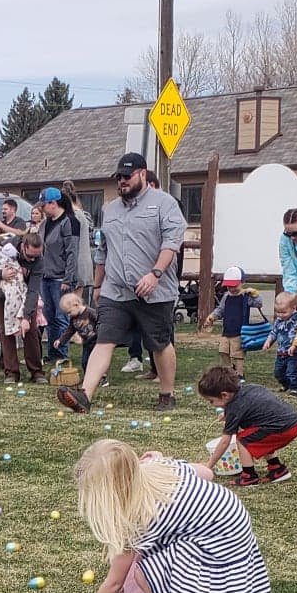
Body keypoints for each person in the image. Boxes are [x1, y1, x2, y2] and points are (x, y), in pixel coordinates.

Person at [56, 439, 276, 593]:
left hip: (220, 543)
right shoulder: (159, 468)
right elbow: (206, 474)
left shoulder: (137, 515)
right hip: (231, 523)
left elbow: (114, 582)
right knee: (150, 564)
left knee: (147, 572)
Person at [58, 152, 188, 414]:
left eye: (126, 176)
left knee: (159, 342)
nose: (121, 182)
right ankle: (85, 395)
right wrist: (97, 286)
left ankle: (167, 394)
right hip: (115, 290)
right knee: (104, 338)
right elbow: (103, 250)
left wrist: (155, 274)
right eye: (118, 177)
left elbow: (171, 244)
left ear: (142, 173)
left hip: (155, 290)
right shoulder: (110, 209)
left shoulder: (165, 204)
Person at [197, 363, 297, 486]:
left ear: (224, 395)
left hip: (284, 427)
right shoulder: (249, 389)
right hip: (292, 422)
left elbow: (225, 441)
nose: (211, 404)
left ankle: (249, 476)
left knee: (242, 439)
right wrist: (228, 414)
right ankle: (277, 469)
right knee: (258, 435)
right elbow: (254, 406)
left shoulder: (235, 407)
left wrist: (209, 465)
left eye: (211, 401)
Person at [0, 229, 45, 383]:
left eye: (37, 256)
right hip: (2, 295)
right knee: (6, 331)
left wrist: (26, 317)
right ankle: (12, 373)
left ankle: (36, 372)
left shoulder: (38, 261)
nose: (32, 260)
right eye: (30, 256)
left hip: (25, 294)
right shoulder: (6, 246)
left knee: (31, 330)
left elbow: (34, 290)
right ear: (23, 246)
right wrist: (0, 274)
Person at [37, 187, 80, 361]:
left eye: (44, 205)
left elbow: (72, 252)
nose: (42, 209)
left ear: (53, 203)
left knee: (61, 317)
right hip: (45, 276)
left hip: (60, 277)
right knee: (49, 317)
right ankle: (52, 353)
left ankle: (62, 353)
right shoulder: (46, 223)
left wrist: (68, 278)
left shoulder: (69, 222)